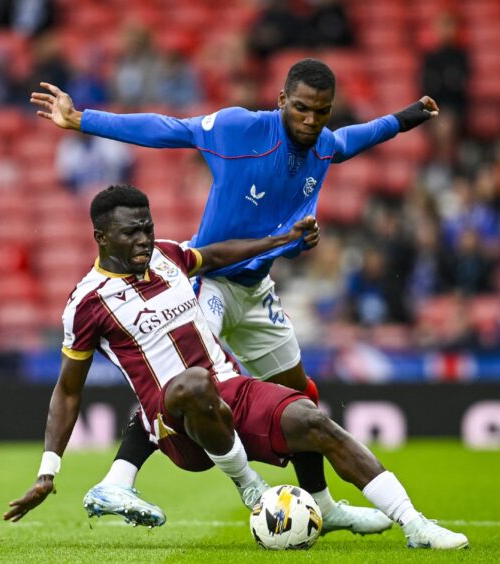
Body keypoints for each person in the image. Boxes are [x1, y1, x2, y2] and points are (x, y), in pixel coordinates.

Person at [29, 58, 440, 535]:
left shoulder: (324, 145)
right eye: (302, 109)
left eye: (321, 113)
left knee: (301, 394)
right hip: (211, 281)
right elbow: (167, 129)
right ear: (282, 100)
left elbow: (358, 137)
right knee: (185, 378)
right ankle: (119, 478)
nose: (311, 121)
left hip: (258, 286)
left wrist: (408, 117)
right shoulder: (237, 128)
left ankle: (323, 505)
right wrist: (82, 119)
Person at [4, 185, 469, 550]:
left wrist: (280, 241)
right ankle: (251, 489)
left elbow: (218, 255)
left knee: (313, 418)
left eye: (147, 227)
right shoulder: (86, 303)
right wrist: (49, 470)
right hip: (175, 423)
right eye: (131, 233)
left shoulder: (166, 255)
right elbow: (68, 391)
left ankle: (414, 523)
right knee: (191, 383)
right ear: (101, 238)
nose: (144, 239)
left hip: (232, 388)